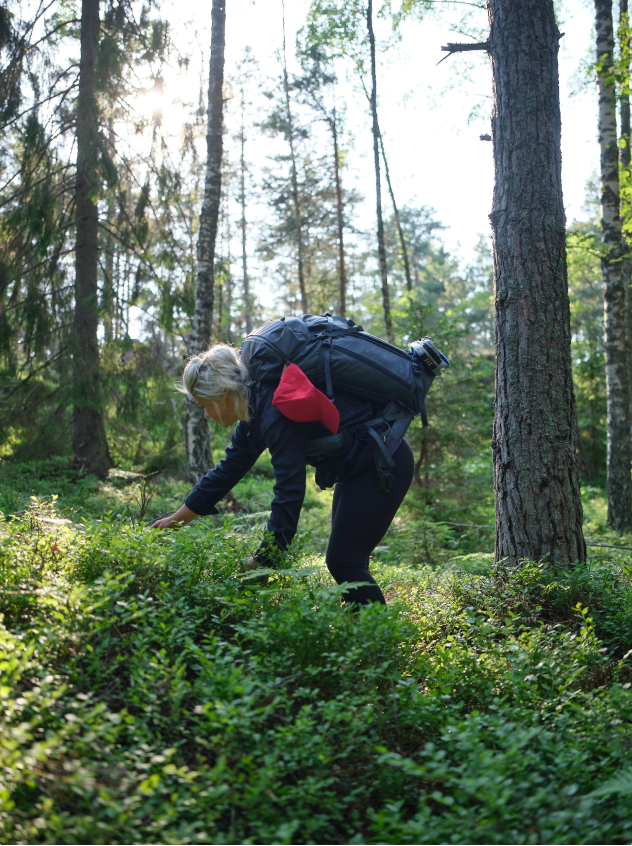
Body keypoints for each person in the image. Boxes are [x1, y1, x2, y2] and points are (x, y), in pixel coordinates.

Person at [152, 342, 414, 605]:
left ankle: (379, 641)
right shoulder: (253, 412)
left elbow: (289, 491)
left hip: (383, 463)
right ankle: (359, 630)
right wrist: (176, 519)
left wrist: (265, 559)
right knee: (347, 561)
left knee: (344, 562)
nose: (207, 414)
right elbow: (226, 472)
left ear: (222, 398)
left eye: (204, 405)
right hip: (358, 468)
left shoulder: (275, 409)